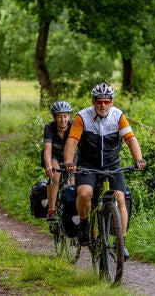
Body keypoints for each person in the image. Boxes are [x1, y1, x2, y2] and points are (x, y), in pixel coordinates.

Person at [63, 82, 146, 259]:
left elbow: (130, 139)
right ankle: (84, 224)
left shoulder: (118, 116)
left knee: (120, 198)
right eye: (99, 101)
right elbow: (72, 141)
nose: (103, 105)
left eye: (106, 101)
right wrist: (69, 162)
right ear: (93, 101)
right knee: (84, 193)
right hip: (88, 165)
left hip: (112, 164)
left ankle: (121, 242)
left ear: (111, 102)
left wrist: (138, 159)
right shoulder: (82, 117)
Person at [41, 101, 73, 221]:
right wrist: (48, 165)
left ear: (69, 116)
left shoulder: (74, 126)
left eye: (65, 116)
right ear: (54, 117)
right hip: (54, 155)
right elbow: (47, 149)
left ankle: (72, 214)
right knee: (55, 176)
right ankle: (51, 210)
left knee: (73, 182)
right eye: (59, 116)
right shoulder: (49, 128)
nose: (63, 120)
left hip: (70, 155)